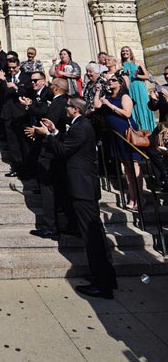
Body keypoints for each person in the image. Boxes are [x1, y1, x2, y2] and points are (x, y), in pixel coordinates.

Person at [35, 98, 117, 300]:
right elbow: (67, 142)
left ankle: (102, 284)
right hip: (84, 188)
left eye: (68, 107)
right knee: (94, 233)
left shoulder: (81, 127)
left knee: (92, 237)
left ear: (75, 109)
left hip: (83, 189)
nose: (65, 109)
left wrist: (47, 136)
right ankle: (106, 276)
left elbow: (63, 150)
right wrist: (54, 131)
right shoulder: (80, 125)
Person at [24, 79, 76, 239]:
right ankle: (72, 225)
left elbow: (49, 125)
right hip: (56, 151)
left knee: (48, 189)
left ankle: (51, 226)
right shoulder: (61, 101)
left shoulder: (57, 103)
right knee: (61, 189)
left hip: (50, 152)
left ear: (55, 88)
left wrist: (38, 131)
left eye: (51, 84)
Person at [93, 73, 143, 210]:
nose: (110, 82)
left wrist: (110, 105)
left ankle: (139, 197)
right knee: (126, 167)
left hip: (127, 134)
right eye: (109, 80)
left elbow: (127, 113)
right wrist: (97, 92)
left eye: (113, 80)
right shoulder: (107, 96)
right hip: (115, 135)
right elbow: (96, 105)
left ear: (120, 83)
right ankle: (132, 197)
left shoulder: (124, 96)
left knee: (134, 164)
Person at [120, 46, 156, 131]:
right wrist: (124, 73)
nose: (125, 52)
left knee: (144, 106)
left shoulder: (138, 62)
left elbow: (147, 76)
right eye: (123, 51)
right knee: (133, 108)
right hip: (129, 88)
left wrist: (137, 75)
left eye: (127, 51)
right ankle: (137, 131)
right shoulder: (120, 64)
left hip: (139, 87)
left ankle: (149, 130)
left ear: (130, 52)